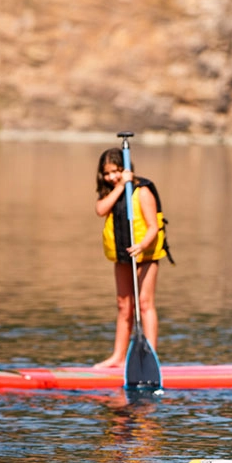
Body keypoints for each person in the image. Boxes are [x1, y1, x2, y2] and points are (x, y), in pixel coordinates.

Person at [93, 147, 168, 369]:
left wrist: (142, 245)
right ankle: (118, 357)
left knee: (145, 303)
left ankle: (150, 355)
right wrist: (120, 186)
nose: (111, 177)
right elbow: (100, 210)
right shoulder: (111, 191)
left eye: (116, 171)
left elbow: (154, 226)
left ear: (126, 169)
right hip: (123, 253)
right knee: (123, 305)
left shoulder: (142, 191)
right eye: (107, 173)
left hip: (145, 253)